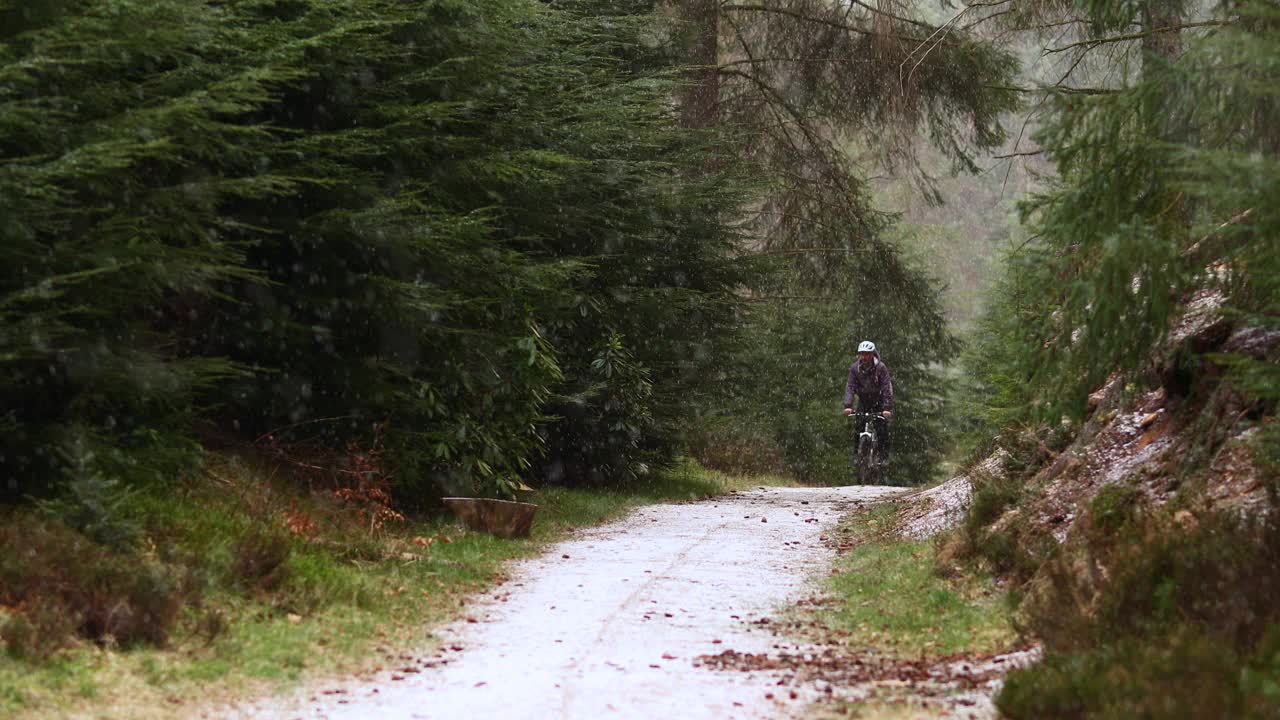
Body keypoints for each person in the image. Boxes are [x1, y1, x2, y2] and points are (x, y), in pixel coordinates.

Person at [842, 340, 893, 464]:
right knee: (858, 427)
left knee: (881, 428)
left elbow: (886, 387)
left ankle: (882, 456)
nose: (864, 357)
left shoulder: (880, 368)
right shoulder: (855, 368)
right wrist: (848, 405)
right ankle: (856, 454)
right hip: (863, 401)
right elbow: (850, 386)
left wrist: (886, 407)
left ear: (872, 354)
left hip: (878, 401)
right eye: (862, 354)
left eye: (867, 354)